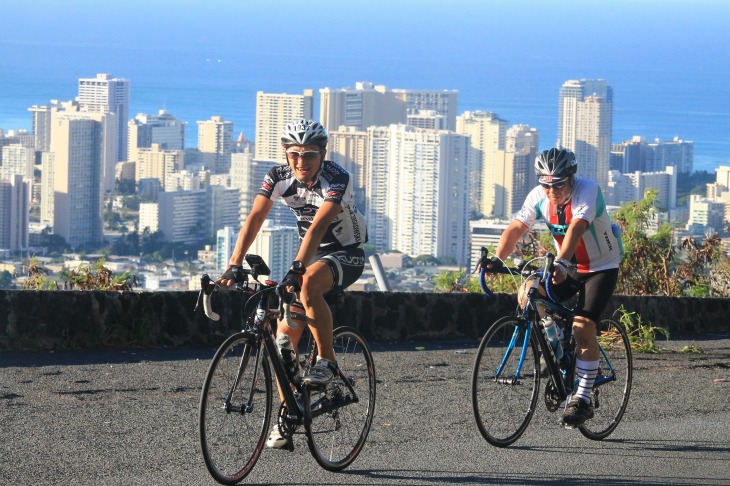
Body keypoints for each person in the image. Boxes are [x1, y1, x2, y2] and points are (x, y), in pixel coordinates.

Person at [217, 119, 368, 448]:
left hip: (345, 253)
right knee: (283, 341)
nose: (301, 161)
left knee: (309, 282)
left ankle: (327, 361)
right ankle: (290, 413)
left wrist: (297, 269)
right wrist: (233, 264)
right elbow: (255, 218)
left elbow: (317, 227)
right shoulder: (277, 177)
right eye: (294, 154)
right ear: (286, 154)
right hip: (309, 257)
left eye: (309, 154)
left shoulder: (336, 177)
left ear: (322, 154)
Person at [484, 147, 622, 427]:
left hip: (599, 268)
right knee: (528, 294)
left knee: (583, 329)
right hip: (566, 265)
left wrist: (560, 262)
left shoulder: (588, 191)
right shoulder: (538, 197)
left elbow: (576, 229)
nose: (551, 191)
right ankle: (556, 342)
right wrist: (498, 259)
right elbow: (516, 228)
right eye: (546, 185)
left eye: (558, 185)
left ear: (571, 178)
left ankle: (582, 399)